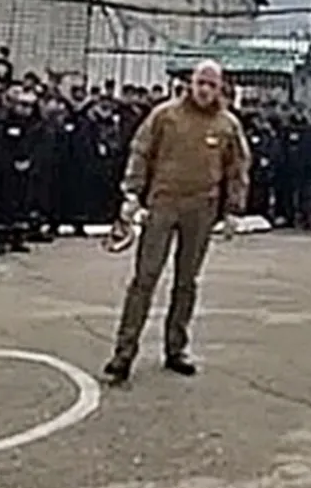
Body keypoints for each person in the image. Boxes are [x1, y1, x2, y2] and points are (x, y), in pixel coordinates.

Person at [102, 59, 249, 384]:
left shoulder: (227, 125)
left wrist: (233, 212)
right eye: (201, 83)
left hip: (202, 209)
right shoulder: (164, 115)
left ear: (220, 87)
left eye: (212, 85)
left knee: (186, 282)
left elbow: (237, 169)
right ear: (190, 83)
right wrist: (131, 194)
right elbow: (140, 151)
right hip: (163, 205)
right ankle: (123, 353)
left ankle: (176, 348)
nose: (205, 90)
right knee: (145, 278)